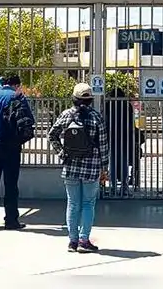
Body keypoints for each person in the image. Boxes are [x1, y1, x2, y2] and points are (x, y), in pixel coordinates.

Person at [48, 83, 109, 253]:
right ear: (90, 99)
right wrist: (104, 168)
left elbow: (51, 134)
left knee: (73, 203)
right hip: (91, 167)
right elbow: (103, 145)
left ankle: (72, 241)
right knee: (88, 203)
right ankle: (84, 240)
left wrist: (62, 153)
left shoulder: (66, 115)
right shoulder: (96, 118)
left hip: (70, 166)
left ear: (74, 98)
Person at [0, 74, 34, 230]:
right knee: (11, 183)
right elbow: (28, 120)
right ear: (17, 85)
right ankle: (11, 220)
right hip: (11, 145)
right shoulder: (18, 97)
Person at [102, 87, 136, 196]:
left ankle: (112, 187)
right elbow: (131, 123)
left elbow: (105, 121)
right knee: (124, 163)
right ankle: (124, 187)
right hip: (124, 137)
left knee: (112, 162)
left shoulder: (108, 105)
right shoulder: (127, 106)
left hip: (111, 136)